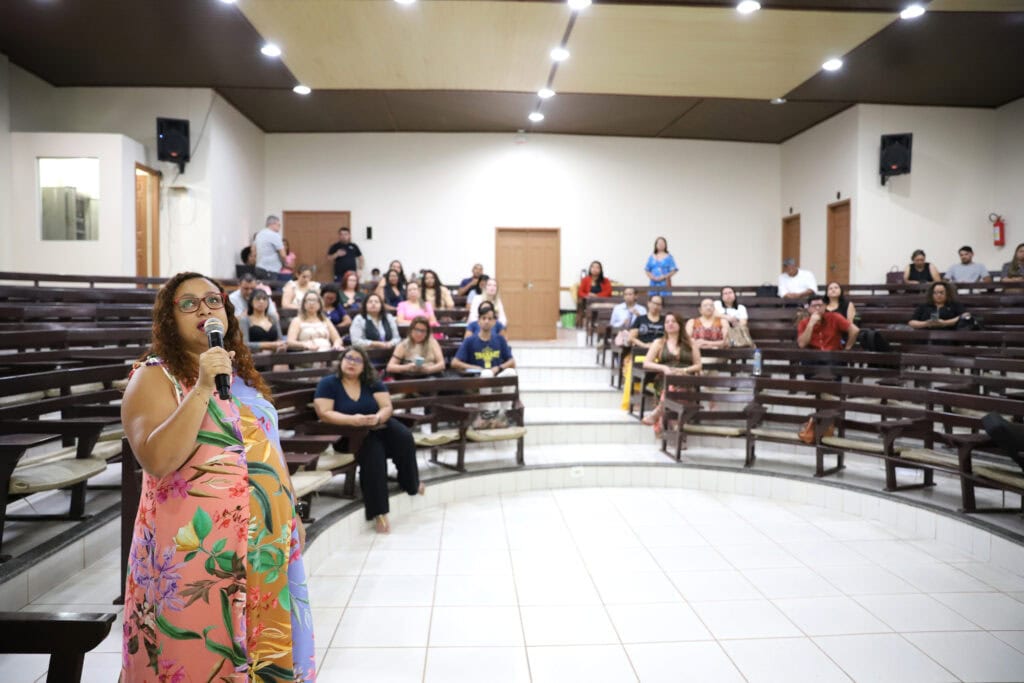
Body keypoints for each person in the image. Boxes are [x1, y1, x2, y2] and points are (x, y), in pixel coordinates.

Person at [120, 272, 315, 680]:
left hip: (266, 546)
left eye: (212, 300)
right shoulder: (153, 376)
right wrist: (203, 385)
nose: (205, 309)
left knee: (264, 653)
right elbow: (156, 459)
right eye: (188, 303)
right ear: (169, 320)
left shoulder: (240, 377)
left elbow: (270, 452)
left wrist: (292, 511)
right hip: (196, 555)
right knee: (199, 657)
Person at [313, 346, 423, 534]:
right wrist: (353, 420)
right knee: (374, 450)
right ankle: (378, 512)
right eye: (348, 358)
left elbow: (386, 406)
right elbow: (324, 413)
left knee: (403, 436)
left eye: (357, 360)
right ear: (341, 361)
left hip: (376, 424)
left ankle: (410, 482)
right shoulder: (329, 383)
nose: (352, 363)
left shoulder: (372, 382)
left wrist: (378, 418)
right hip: (348, 433)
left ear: (364, 366)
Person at [641, 311, 702, 434]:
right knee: (673, 385)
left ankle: (659, 413)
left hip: (686, 377)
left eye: (673, 321)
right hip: (665, 378)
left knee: (678, 385)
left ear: (680, 324)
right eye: (667, 322)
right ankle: (678, 430)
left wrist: (684, 370)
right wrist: (664, 368)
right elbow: (646, 363)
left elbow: (698, 365)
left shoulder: (690, 342)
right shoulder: (659, 343)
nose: (670, 324)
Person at [451, 302, 516, 375]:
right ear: (478, 321)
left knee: (511, 372)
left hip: (497, 376)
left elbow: (512, 362)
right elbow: (455, 362)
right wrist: (475, 368)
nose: (486, 321)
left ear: (494, 322)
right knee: (487, 373)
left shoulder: (500, 339)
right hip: (477, 378)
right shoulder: (469, 341)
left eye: (490, 319)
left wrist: (499, 368)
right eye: (484, 318)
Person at [254, 215, 287, 279]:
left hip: (259, 268)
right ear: (273, 224)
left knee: (261, 288)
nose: (279, 227)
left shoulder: (259, 234)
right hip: (270, 270)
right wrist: (284, 264)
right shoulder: (274, 235)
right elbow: (283, 255)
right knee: (270, 289)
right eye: (278, 225)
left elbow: (253, 251)